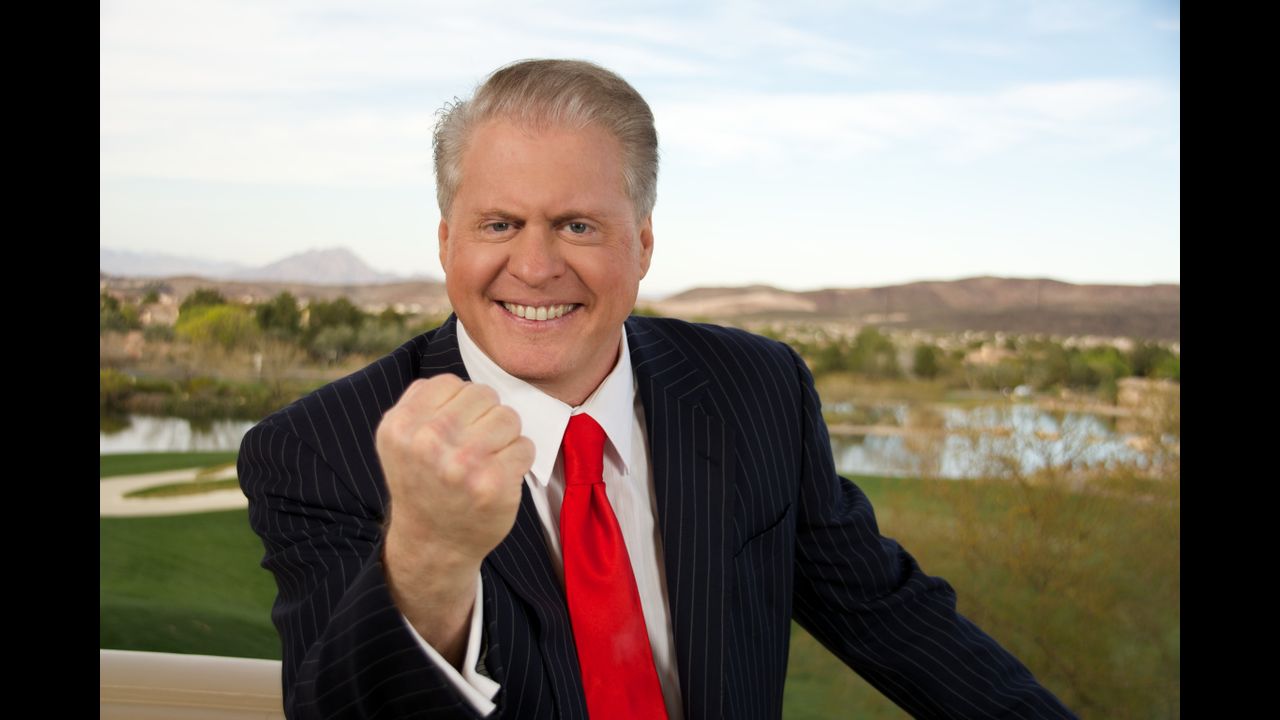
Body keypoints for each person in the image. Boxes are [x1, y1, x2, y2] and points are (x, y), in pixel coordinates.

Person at [238, 59, 1077, 719]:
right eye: (500, 224)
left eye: (577, 225)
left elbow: (889, 616)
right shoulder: (317, 450)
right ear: (446, 241)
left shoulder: (758, 388)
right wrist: (429, 554)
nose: (535, 266)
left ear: (642, 244)